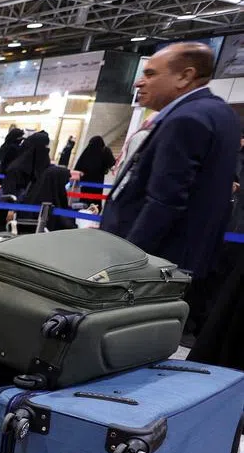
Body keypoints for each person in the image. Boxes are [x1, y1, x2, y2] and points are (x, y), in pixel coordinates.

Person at [100, 42, 241, 283]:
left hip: (157, 264)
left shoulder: (186, 119)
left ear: (185, 77)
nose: (138, 83)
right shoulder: (221, 113)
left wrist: (128, 263)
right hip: (189, 260)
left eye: (150, 74)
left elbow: (165, 201)